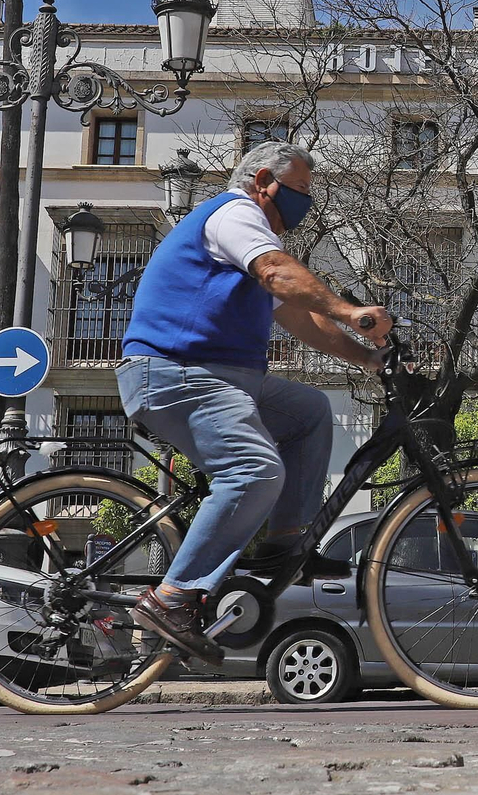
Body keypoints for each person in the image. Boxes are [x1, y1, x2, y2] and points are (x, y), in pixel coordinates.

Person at [116, 141, 392, 663]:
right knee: (254, 470)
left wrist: (370, 359)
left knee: (309, 411)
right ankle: (172, 598)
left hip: (222, 378)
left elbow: (300, 318)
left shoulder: (254, 238)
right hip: (175, 373)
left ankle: (285, 542)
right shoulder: (234, 215)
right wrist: (350, 309)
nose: (306, 205)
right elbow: (278, 274)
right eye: (302, 192)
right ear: (264, 180)